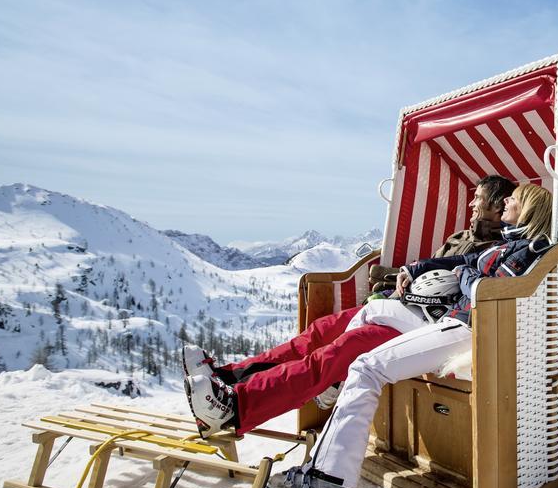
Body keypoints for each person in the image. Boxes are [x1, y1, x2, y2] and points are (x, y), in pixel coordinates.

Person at [266, 184, 555, 488]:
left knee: (366, 368)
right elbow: (461, 260)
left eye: (514, 199)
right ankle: (335, 382)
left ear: (530, 211)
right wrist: (415, 269)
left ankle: (327, 483)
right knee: (370, 312)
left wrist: (464, 276)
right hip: (454, 322)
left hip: (469, 331)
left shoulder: (526, 251)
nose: (507, 201)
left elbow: (485, 291)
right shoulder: (507, 244)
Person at [183, 175, 516, 437]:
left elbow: (465, 288)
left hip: (420, 323)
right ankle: (227, 377)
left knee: (336, 353)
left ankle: (236, 406)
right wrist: (398, 273)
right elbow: (426, 266)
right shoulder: (461, 238)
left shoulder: (496, 250)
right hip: (397, 305)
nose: (471, 204)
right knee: (317, 334)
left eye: (479, 199)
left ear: (498, 207)